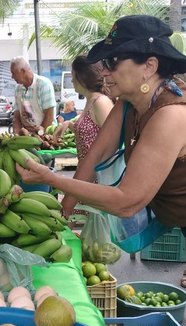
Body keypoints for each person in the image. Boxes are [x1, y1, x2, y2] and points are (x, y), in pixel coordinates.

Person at [14, 15, 186, 283]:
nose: (104, 71)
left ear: (149, 66)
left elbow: (127, 200)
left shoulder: (171, 115)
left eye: (112, 62)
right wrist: (62, 216)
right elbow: (95, 156)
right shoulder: (128, 103)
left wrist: (51, 179)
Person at [53, 55, 114, 162]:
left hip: (97, 174)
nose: (72, 81)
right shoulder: (90, 101)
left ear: (82, 77)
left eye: (73, 75)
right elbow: (89, 132)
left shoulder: (100, 102)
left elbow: (112, 142)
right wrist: (67, 124)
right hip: (87, 173)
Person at [10, 56, 56, 134]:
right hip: (27, 137)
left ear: (23, 71)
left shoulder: (43, 84)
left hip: (47, 135)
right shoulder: (18, 88)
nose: (12, 77)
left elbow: (49, 117)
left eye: (14, 73)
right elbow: (16, 117)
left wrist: (39, 134)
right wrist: (16, 135)